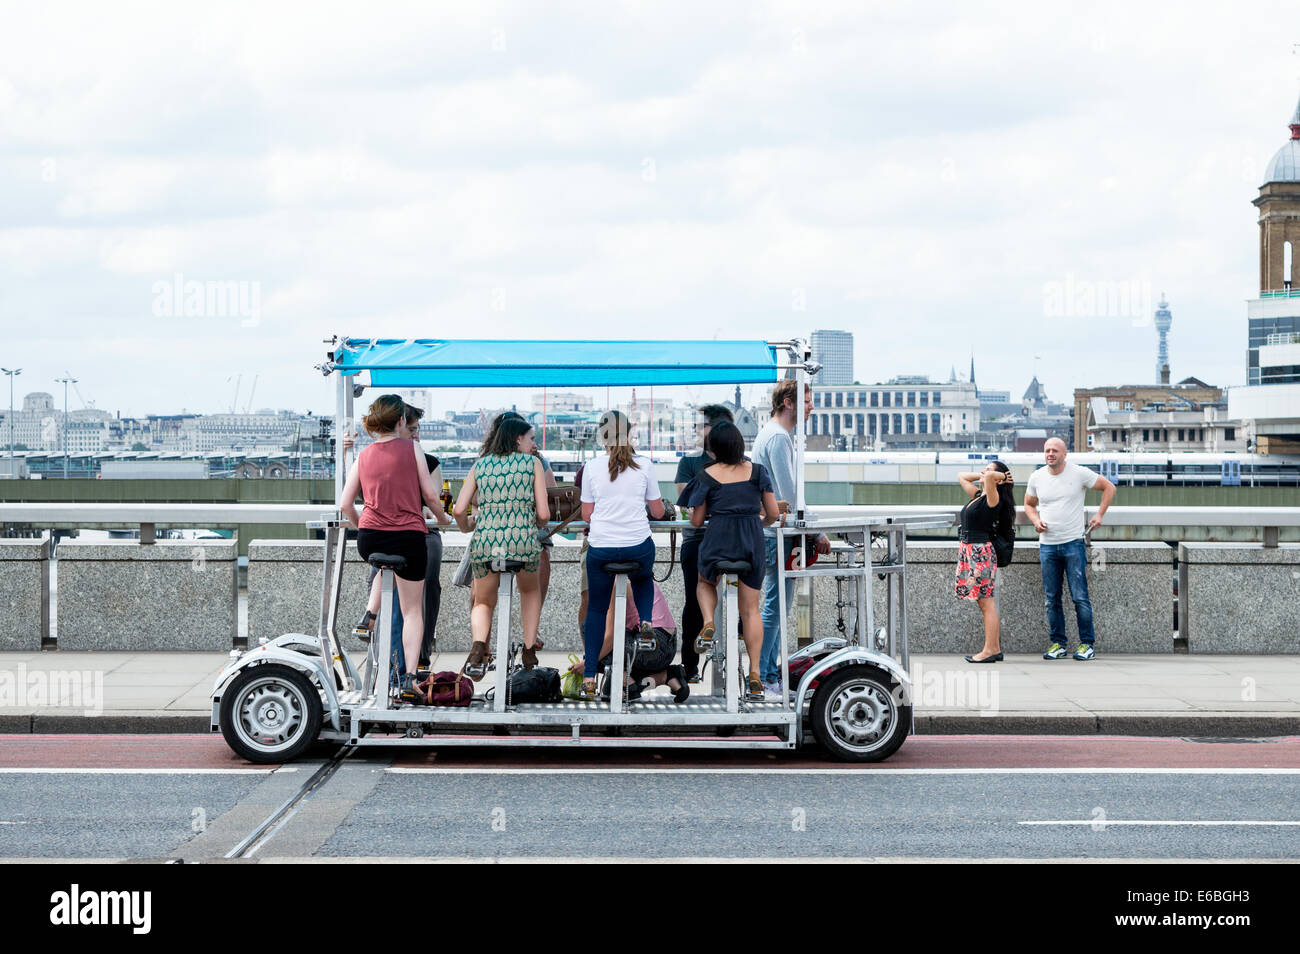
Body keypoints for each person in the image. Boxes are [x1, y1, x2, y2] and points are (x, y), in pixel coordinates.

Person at [338, 394, 450, 694]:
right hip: (408, 537)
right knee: (413, 610)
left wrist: (361, 525)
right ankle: (410, 679)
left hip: (370, 537)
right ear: (401, 420)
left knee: (383, 564)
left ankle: (370, 614)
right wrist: (443, 518)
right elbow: (429, 495)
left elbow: (345, 503)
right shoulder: (412, 448)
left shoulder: (363, 455)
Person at [680, 421, 780, 699]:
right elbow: (772, 514)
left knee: (704, 581)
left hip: (718, 540)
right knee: (751, 611)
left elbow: (698, 520)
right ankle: (756, 673)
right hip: (751, 542)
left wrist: (692, 515)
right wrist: (758, 521)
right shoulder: (758, 472)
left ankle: (709, 621)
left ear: (714, 449)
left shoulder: (706, 474)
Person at [454, 416, 549, 679]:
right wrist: (536, 520)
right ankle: (529, 651)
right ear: (518, 438)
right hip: (522, 542)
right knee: (530, 591)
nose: (533, 444)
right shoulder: (533, 464)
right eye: (531, 438)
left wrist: (467, 526)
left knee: (483, 601)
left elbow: (460, 509)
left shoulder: (480, 465)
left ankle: (478, 647)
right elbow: (543, 513)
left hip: (487, 542)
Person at [579, 410, 665, 700]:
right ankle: (646, 623)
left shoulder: (592, 467)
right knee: (643, 576)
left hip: (601, 549)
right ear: (629, 434)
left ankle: (589, 677)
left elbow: (587, 514)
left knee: (596, 611)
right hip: (637, 546)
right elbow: (657, 511)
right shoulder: (645, 465)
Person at [752, 379, 830, 696]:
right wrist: (818, 532)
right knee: (774, 606)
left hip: (772, 531)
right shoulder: (779, 439)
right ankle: (766, 676)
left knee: (774, 605)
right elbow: (789, 496)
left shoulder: (774, 435)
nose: (812, 407)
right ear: (789, 402)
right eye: (808, 401)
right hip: (776, 533)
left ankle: (766, 674)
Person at [1023, 437, 1117, 661]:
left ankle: (1087, 644)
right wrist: (1035, 521)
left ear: (1065, 454)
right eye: (1047, 450)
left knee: (1080, 597)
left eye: (1055, 450)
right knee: (1051, 598)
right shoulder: (1037, 477)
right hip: (1047, 545)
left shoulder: (1079, 473)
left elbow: (1109, 487)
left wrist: (1100, 514)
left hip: (1073, 543)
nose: (1050, 454)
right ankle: (1058, 643)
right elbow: (1028, 504)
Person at [674, 403, 734, 682]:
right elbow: (687, 505)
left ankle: (726, 663)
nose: (696, 430)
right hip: (700, 540)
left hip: (718, 538)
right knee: (693, 602)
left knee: (728, 601)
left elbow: (694, 505)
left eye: (701, 425)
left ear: (716, 428)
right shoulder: (689, 463)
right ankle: (690, 665)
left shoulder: (736, 464)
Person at [570, 581, 689, 704]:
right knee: (605, 662)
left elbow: (610, 639)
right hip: (667, 646)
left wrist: (587, 663)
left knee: (589, 628)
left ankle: (627, 684)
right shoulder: (638, 575)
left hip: (650, 645)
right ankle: (667, 676)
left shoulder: (618, 583)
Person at [954, 460, 1016, 663]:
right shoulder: (979, 496)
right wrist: (986, 474)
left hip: (980, 553)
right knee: (984, 602)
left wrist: (998, 477)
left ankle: (990, 650)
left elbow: (990, 479)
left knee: (986, 603)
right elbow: (961, 476)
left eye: (988, 469)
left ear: (998, 480)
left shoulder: (992, 498)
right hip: (971, 551)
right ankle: (994, 648)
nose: (983, 472)